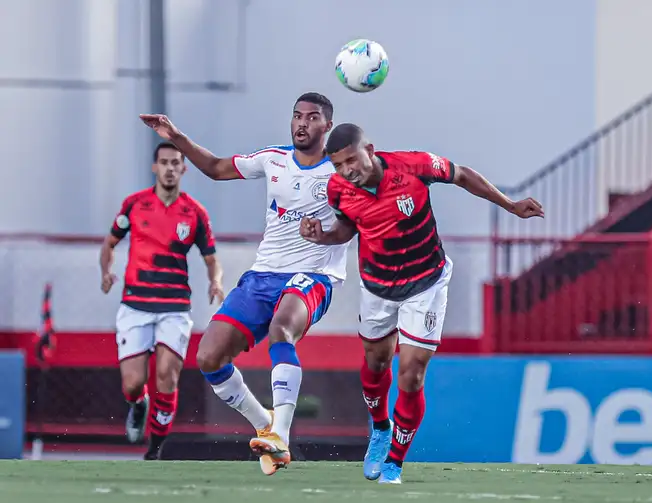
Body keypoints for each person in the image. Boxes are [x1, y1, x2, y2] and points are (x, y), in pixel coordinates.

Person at [300, 123, 544, 484]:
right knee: (376, 363)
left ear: (369, 148)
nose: (347, 170)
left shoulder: (414, 166)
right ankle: (380, 430)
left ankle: (394, 464)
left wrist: (508, 205)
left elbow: (462, 175)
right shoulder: (338, 190)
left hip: (426, 283)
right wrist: (324, 237)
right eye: (338, 165)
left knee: (412, 375)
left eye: (351, 159)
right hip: (378, 287)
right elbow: (347, 228)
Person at [139, 93, 349, 475]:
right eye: (296, 115)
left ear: (327, 126)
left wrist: (327, 234)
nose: (302, 123)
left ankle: (281, 435)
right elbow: (218, 168)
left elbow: (352, 226)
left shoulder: (340, 172)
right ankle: (264, 423)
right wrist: (177, 136)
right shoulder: (273, 160)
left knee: (281, 330)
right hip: (263, 275)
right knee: (208, 356)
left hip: (313, 276)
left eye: (312, 117)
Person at [100, 141, 225, 460]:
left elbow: (211, 258)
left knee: (167, 376)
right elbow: (110, 243)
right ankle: (138, 405)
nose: (170, 168)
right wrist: (106, 272)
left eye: (175, 163)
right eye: (164, 163)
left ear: (184, 168)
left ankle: (155, 447)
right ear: (155, 168)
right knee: (133, 382)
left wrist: (216, 282)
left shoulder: (194, 213)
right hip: (135, 305)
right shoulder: (134, 205)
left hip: (174, 307)